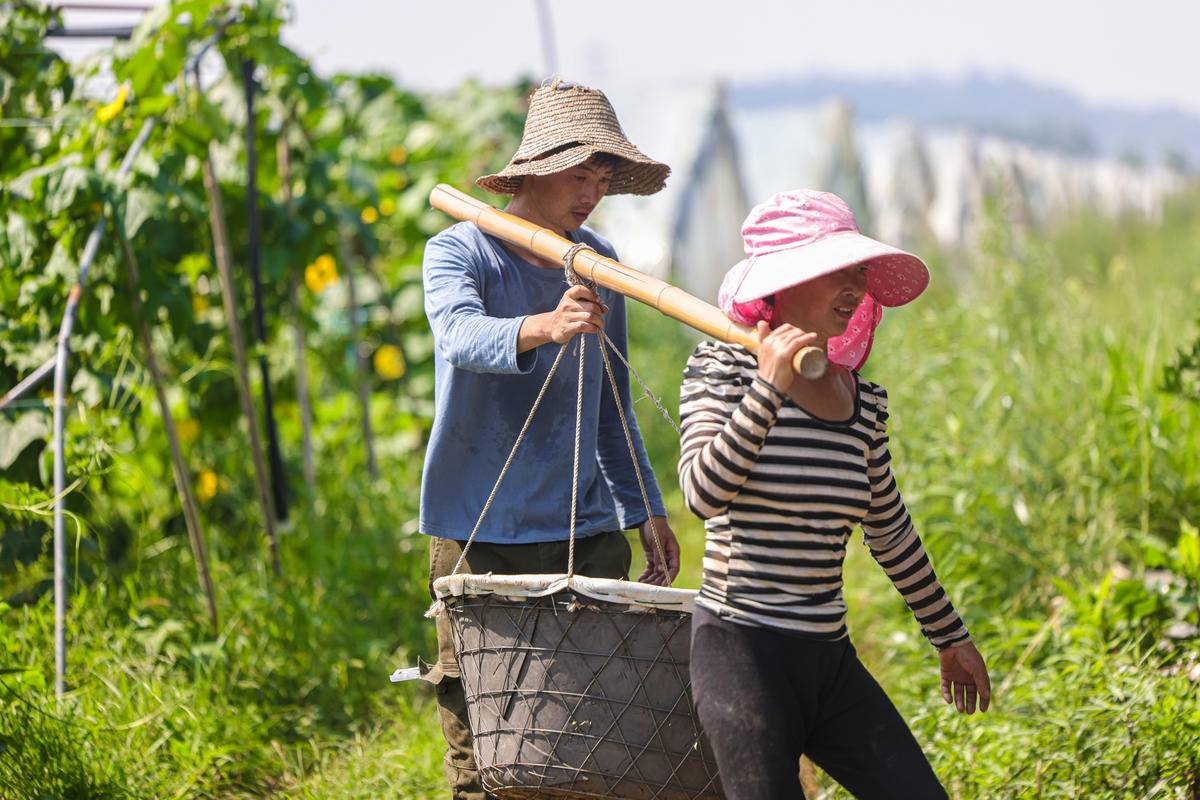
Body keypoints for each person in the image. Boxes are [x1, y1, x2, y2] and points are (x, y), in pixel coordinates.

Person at [677, 190, 991, 800]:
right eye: (835, 270)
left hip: (827, 656)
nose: (854, 286)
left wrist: (949, 637)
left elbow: (891, 531)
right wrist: (768, 388)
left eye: (857, 271)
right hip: (741, 647)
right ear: (784, 280)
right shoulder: (722, 367)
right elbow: (702, 493)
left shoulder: (860, 401)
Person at [420, 78, 683, 800]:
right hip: (480, 525)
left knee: (597, 727)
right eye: (579, 174)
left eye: (602, 178)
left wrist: (644, 507)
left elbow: (611, 406)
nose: (592, 191)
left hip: (583, 519)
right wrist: (544, 326)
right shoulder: (460, 251)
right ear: (534, 170)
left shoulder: (598, 262)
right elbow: (460, 335)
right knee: (482, 730)